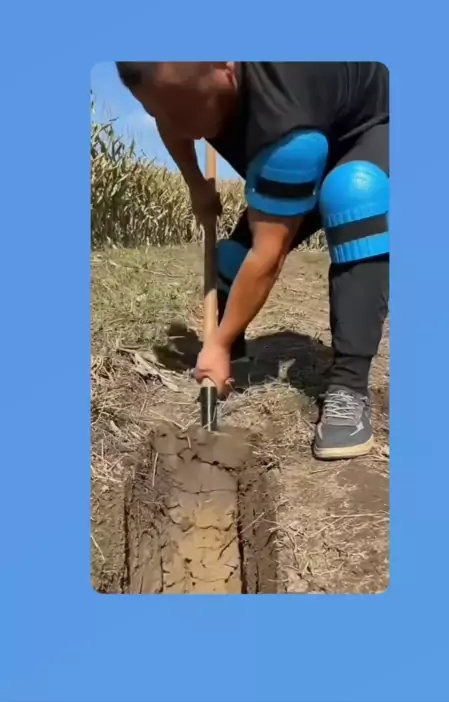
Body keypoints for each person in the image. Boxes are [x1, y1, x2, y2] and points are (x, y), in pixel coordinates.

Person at [116, 62, 389, 460]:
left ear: (226, 68)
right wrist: (195, 184)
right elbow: (170, 115)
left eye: (188, 107)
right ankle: (231, 356)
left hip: (364, 130)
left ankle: (349, 387)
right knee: (230, 260)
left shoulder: (281, 113)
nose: (179, 124)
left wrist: (217, 342)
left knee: (354, 195)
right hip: (299, 136)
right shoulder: (178, 87)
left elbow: (268, 255)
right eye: (161, 111)